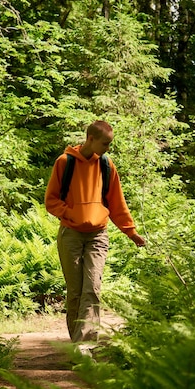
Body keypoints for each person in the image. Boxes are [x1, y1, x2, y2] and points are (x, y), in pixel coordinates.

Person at [45, 120, 146, 344]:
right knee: (76, 292)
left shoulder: (107, 165)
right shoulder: (65, 162)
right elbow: (51, 201)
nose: (108, 148)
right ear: (90, 139)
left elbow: (117, 204)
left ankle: (85, 347)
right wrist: (70, 213)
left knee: (92, 288)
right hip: (70, 234)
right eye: (105, 144)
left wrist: (131, 232)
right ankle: (78, 344)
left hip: (98, 235)